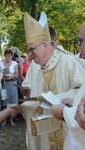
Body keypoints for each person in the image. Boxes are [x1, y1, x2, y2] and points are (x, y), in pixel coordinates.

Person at [12, 12, 85, 150]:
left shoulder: (68, 61)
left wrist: (59, 98)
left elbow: (81, 91)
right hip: (45, 132)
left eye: (32, 49)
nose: (30, 55)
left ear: (45, 45)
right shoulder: (36, 66)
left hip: (65, 129)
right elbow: (35, 96)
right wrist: (22, 107)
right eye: (29, 51)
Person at [52, 22, 85, 150]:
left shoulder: (68, 60)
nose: (78, 46)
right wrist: (74, 101)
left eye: (80, 40)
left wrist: (64, 112)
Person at [0, 49, 19, 126]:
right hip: (4, 84)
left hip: (12, 84)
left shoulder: (14, 63)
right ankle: (4, 120)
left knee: (12, 102)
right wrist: (4, 77)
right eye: (6, 55)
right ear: (4, 56)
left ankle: (11, 119)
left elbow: (17, 75)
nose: (8, 57)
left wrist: (9, 78)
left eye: (9, 55)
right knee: (4, 102)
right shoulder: (0, 64)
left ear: (11, 56)